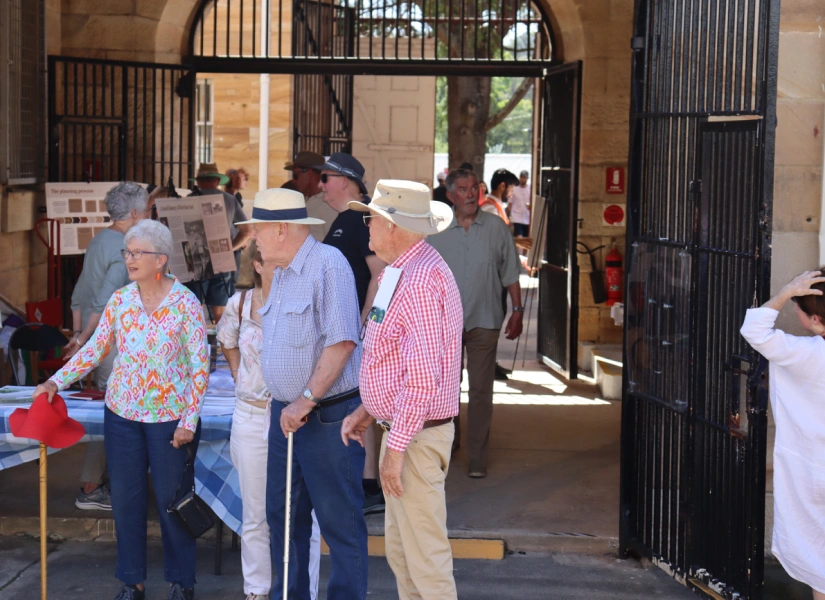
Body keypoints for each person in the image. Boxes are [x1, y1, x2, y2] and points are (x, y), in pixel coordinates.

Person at [33, 219, 208, 600]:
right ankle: (133, 582)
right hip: (123, 415)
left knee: (170, 501)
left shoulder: (185, 303)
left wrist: (189, 420)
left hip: (169, 420)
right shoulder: (121, 300)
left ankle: (182, 582)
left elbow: (200, 365)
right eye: (127, 252)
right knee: (127, 500)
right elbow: (95, 349)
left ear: (160, 259)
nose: (129, 259)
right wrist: (54, 382)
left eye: (137, 253)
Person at [239, 188, 369, 600]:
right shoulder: (278, 271)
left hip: (326, 415)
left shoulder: (328, 264)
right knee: (284, 518)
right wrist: (289, 402)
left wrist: (305, 399)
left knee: (339, 522)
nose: (253, 237)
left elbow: (342, 341)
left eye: (257, 228)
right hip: (287, 416)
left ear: (280, 228)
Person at [341, 180, 461, 600]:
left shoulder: (421, 280)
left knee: (425, 560)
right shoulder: (402, 269)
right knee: (404, 555)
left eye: (371, 218)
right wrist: (370, 409)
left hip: (414, 435)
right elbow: (390, 356)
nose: (367, 226)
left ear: (393, 226)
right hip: (406, 429)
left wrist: (394, 451)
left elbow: (423, 378)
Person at [217, 241, 321, 600]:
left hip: (294, 416)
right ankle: (257, 591)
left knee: (300, 512)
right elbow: (225, 339)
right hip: (251, 413)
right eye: (274, 264)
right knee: (256, 511)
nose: (283, 270)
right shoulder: (240, 304)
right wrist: (236, 372)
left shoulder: (302, 304)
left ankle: (300, 589)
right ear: (258, 266)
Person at [428, 169, 524, 478]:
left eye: (474, 188)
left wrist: (518, 309)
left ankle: (477, 455)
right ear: (450, 195)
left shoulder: (496, 227)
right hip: (445, 325)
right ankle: (448, 443)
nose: (470, 194)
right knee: (446, 391)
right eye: (463, 189)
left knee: (481, 391)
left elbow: (510, 272)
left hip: (485, 319)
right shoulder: (435, 230)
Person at [740, 270, 825, 600]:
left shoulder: (805, 353)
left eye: (799, 310)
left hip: (812, 467)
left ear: (816, 318)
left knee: (818, 550)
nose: (793, 311)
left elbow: (755, 330)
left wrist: (786, 292)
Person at [66, 182, 149, 511]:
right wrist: (85, 338)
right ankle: (91, 487)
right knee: (116, 416)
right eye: (145, 211)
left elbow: (78, 293)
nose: (147, 216)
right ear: (133, 214)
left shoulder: (99, 239)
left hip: (102, 340)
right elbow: (104, 299)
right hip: (112, 343)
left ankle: (110, 483)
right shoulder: (123, 246)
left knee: (113, 414)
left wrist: (77, 332)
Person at [318, 152, 388, 514]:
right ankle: (365, 483)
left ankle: (367, 485)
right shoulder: (347, 218)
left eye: (325, 178)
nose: (320, 186)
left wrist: (363, 321)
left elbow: (379, 273)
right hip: (348, 329)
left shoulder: (361, 217)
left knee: (361, 404)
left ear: (344, 180)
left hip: (356, 331)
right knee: (361, 403)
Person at [187, 162, 251, 322]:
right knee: (220, 313)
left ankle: (196, 343)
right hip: (221, 259)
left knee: (194, 310)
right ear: (217, 180)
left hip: (195, 260)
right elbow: (247, 231)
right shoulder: (230, 200)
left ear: (199, 181)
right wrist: (229, 249)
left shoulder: (189, 199)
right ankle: (222, 345)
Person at [284, 151, 337, 240]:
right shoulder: (302, 199)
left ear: (310, 172)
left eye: (296, 175)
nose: (293, 181)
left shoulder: (329, 204)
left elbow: (334, 243)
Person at [509, 170, 532, 238]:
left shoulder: (530, 189)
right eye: (521, 177)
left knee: (526, 240)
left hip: (527, 218)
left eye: (524, 177)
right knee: (519, 238)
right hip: (517, 218)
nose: (522, 179)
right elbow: (510, 203)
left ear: (527, 178)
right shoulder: (515, 189)